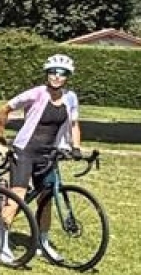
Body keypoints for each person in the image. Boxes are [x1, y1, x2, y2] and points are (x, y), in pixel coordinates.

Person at [5, 54, 83, 198]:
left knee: (47, 198)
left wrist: (76, 147)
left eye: (62, 73)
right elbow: (6, 108)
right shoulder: (37, 93)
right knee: (17, 196)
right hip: (25, 151)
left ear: (68, 77)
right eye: (53, 72)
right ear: (47, 74)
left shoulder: (71, 97)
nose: (57, 77)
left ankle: (40, 221)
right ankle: (2, 221)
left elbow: (74, 124)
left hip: (48, 154)